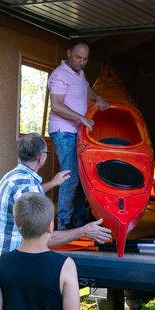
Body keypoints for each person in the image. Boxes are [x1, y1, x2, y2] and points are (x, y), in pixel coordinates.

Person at [0, 133, 111, 280]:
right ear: (41, 157)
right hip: (12, 274)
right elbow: (43, 239)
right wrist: (84, 230)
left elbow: (28, 195)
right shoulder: (27, 185)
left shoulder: (13, 177)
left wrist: (53, 183)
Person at [48, 42, 109, 230]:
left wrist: (97, 97)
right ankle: (63, 224)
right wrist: (82, 118)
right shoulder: (59, 75)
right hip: (64, 131)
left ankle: (78, 220)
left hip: (77, 132)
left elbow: (86, 89)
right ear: (68, 54)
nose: (81, 62)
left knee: (83, 177)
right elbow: (56, 105)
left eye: (84, 59)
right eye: (77, 57)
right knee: (70, 176)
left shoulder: (79, 73)